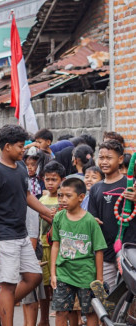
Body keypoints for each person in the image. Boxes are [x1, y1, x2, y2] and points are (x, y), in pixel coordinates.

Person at [0, 125, 53, 326]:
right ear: (7, 146)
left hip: (20, 234)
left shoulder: (20, 167)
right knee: (8, 286)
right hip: (3, 237)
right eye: (20, 147)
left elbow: (27, 195)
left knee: (34, 276)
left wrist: (48, 214)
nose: (24, 150)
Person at [51, 177, 106, 326]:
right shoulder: (58, 217)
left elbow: (99, 250)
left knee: (90, 311)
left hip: (86, 275)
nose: (63, 199)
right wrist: (53, 273)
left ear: (81, 197)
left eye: (68, 196)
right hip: (63, 273)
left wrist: (99, 279)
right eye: (60, 195)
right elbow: (55, 245)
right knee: (61, 311)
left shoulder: (90, 221)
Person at [88, 139, 128, 290]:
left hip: (129, 248)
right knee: (109, 295)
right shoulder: (95, 188)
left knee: (131, 294)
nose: (104, 162)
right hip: (105, 251)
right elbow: (92, 216)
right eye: (101, 157)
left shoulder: (131, 185)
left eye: (109, 158)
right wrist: (92, 221)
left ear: (120, 159)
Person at [37, 160, 66, 326]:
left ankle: (61, 316)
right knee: (45, 285)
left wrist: (44, 214)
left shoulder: (64, 200)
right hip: (43, 244)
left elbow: (59, 221)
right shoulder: (41, 198)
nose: (50, 183)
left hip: (58, 245)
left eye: (54, 179)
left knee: (58, 283)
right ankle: (44, 319)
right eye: (47, 179)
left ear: (62, 180)